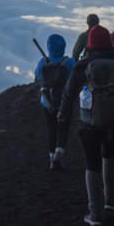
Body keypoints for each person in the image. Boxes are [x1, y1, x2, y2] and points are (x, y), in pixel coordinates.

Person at [58, 24, 114, 226]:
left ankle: (95, 213)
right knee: (110, 156)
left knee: (92, 163)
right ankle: (112, 201)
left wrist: (63, 112)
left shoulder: (83, 66)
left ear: (89, 44)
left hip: (89, 122)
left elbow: (69, 92)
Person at [34, 34, 76, 171]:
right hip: (65, 100)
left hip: (47, 101)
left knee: (51, 128)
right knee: (63, 127)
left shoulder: (42, 62)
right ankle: (59, 152)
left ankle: (51, 159)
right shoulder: (69, 62)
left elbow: (37, 78)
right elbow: (74, 81)